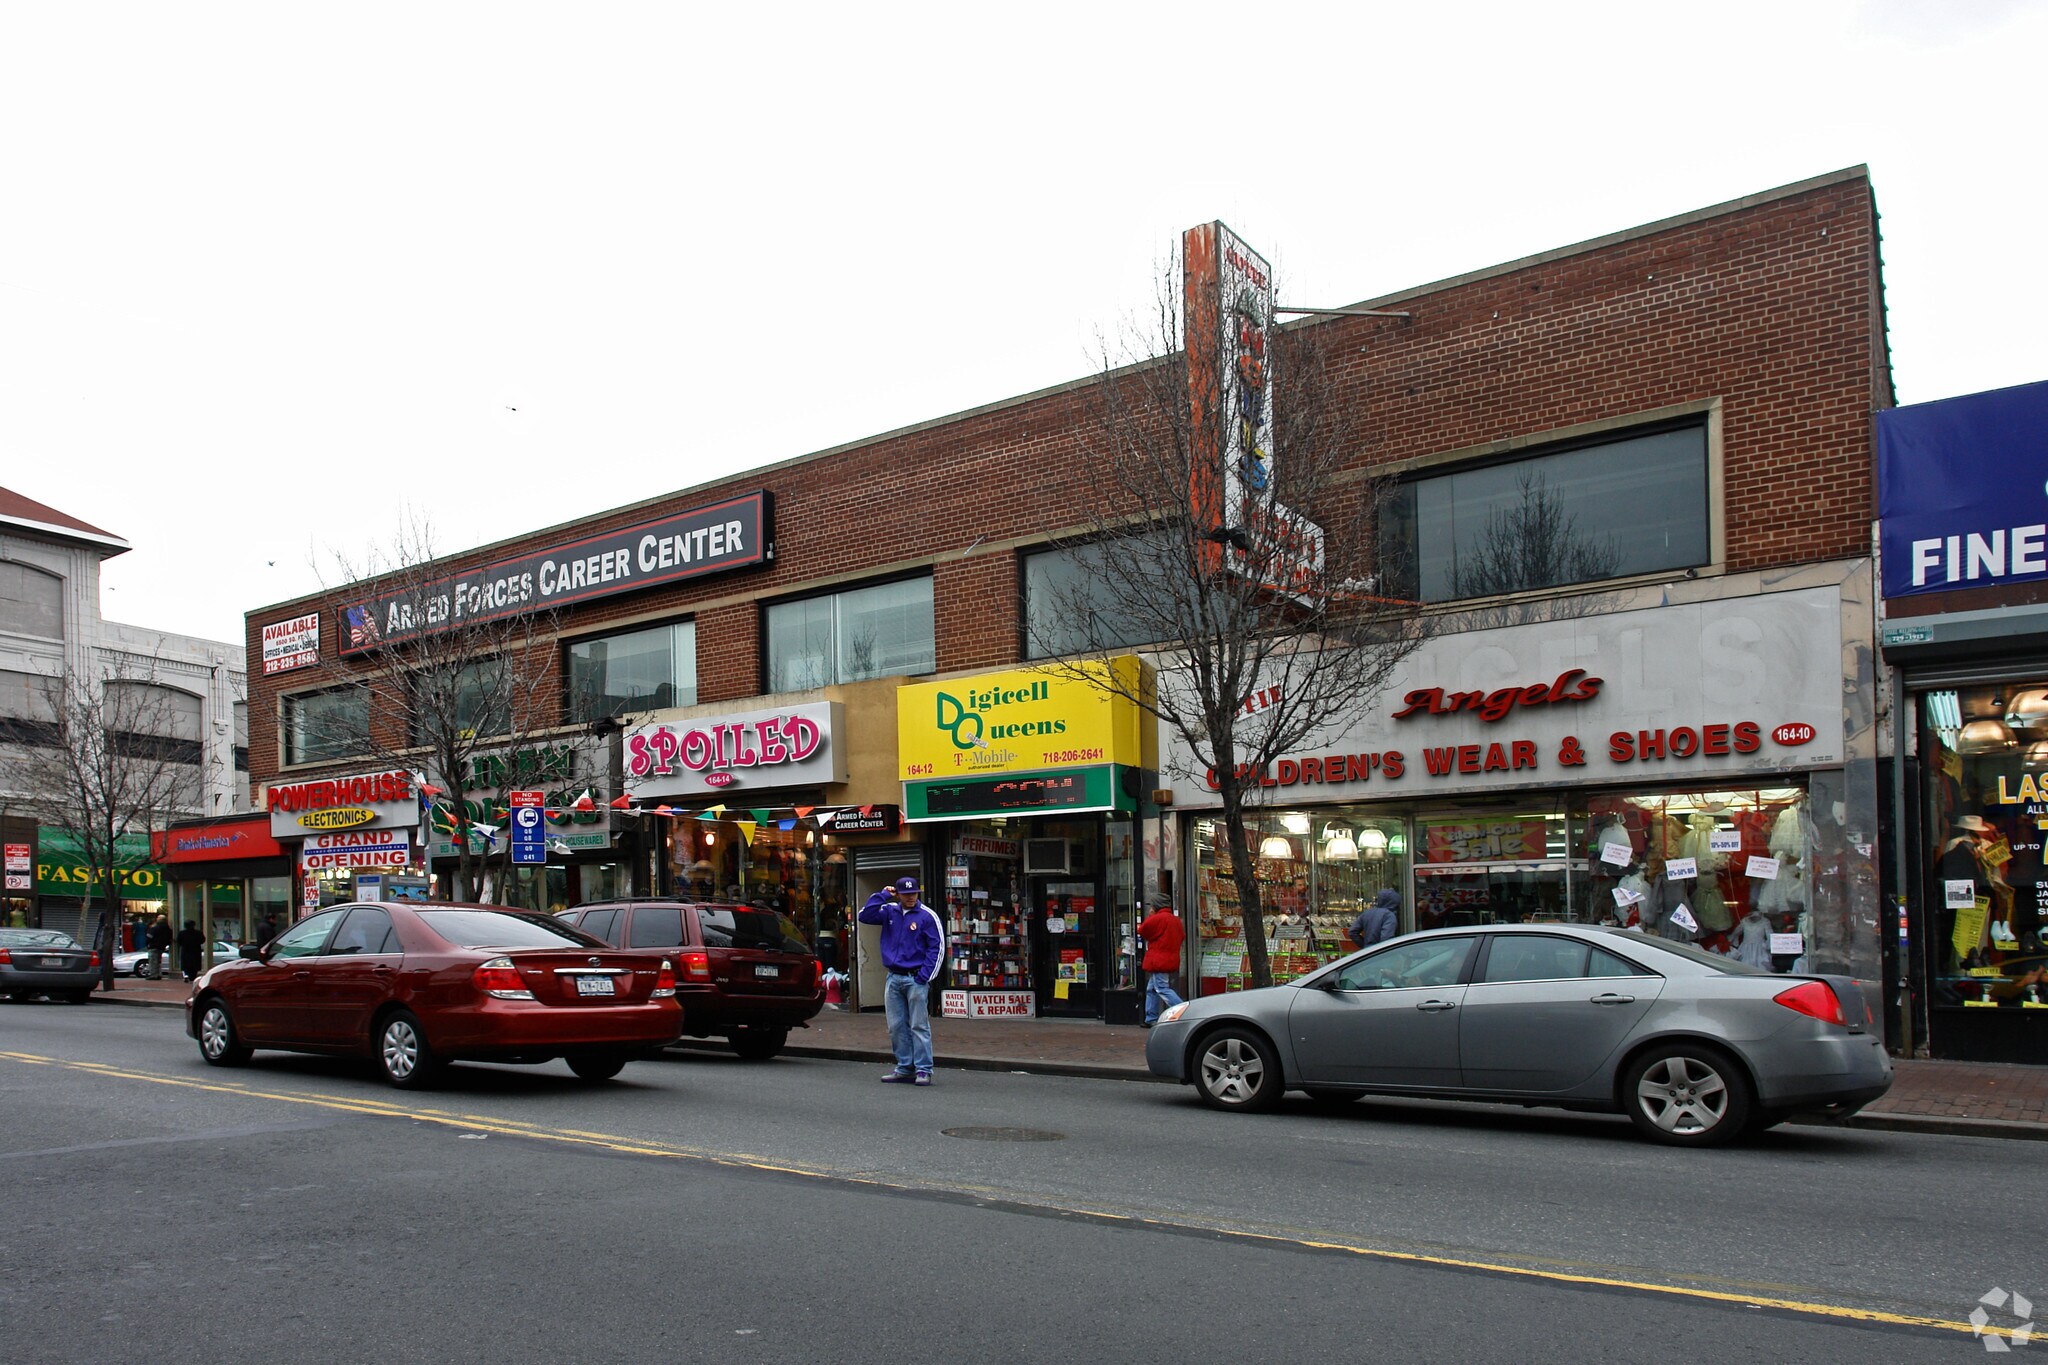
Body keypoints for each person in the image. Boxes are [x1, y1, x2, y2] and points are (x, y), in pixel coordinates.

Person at [856, 875, 946, 1086]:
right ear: (898, 894)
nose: (911, 897)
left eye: (913, 893)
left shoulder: (926, 916)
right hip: (894, 976)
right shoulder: (889, 911)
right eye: (906, 894)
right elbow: (864, 915)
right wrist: (883, 895)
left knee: (918, 1025)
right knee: (896, 1026)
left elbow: (937, 947)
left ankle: (923, 1069)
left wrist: (924, 976)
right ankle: (905, 1067)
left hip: (915, 977)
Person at [1136, 892, 1186, 1028]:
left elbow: (1143, 930)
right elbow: (1181, 936)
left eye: (1152, 906)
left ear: (1156, 906)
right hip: (1169, 957)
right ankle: (1150, 1017)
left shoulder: (1158, 918)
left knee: (1161, 988)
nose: (1150, 908)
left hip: (1158, 959)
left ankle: (1184, 1012)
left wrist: (1152, 916)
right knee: (1152, 988)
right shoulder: (1175, 920)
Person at [146, 914, 173, 980]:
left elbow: (149, 937)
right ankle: (158, 974)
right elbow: (169, 937)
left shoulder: (154, 928)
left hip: (153, 946)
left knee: (153, 961)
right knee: (158, 961)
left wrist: (147, 943)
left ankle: (154, 975)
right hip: (161, 947)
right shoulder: (167, 929)